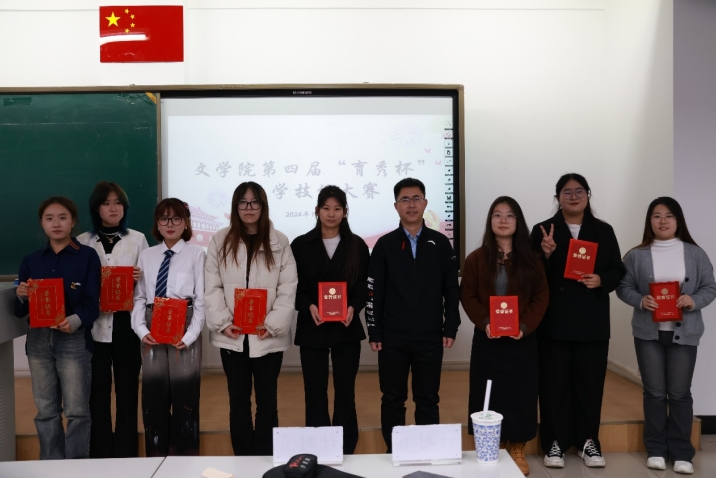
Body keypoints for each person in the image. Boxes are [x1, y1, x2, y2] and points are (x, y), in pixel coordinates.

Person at [529, 173, 626, 468]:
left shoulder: (603, 230)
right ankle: (554, 443)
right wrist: (545, 255)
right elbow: (529, 276)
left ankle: (588, 441)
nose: (573, 196)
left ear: (588, 195)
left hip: (591, 322)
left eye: (579, 191)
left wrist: (601, 279)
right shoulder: (542, 230)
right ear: (557, 197)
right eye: (567, 192)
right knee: (553, 386)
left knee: (590, 386)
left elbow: (617, 270)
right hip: (553, 322)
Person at [616, 197, 716, 475]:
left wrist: (693, 300)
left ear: (678, 220)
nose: (663, 221)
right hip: (648, 334)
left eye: (669, 216)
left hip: (685, 335)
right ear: (649, 221)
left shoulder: (695, 253)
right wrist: (640, 300)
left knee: (680, 394)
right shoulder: (636, 255)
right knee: (654, 393)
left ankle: (682, 452)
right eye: (656, 216)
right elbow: (623, 287)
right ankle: (657, 450)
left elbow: (710, 287)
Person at [366, 177, 460, 453]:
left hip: (430, 336)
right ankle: (393, 452)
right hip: (392, 337)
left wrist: (450, 326)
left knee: (428, 399)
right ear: (396, 206)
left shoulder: (440, 243)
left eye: (416, 198)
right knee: (393, 399)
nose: (411, 204)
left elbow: (451, 289)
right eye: (405, 199)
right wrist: (374, 330)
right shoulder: (384, 245)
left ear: (425, 203)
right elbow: (373, 292)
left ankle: (426, 451)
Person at [204, 181, 297, 456]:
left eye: (255, 202)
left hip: (266, 335)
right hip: (232, 335)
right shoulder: (220, 240)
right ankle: (243, 458)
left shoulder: (279, 241)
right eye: (243, 202)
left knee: (267, 402)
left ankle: (266, 457)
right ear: (235, 207)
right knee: (238, 400)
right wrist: (223, 323)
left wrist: (272, 325)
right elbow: (212, 286)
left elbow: (288, 287)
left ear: (263, 206)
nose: (249, 208)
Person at [460, 196, 548, 476]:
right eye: (497, 215)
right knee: (488, 393)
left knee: (521, 394)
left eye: (510, 215)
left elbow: (541, 297)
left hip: (522, 340)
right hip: (488, 340)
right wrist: (485, 322)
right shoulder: (476, 258)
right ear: (490, 221)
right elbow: (468, 295)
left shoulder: (531, 259)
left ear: (518, 221)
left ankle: (518, 448)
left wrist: (525, 326)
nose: (503, 220)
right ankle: (492, 446)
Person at [15, 197, 101, 459]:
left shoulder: (87, 257)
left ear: (73, 222)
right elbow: (19, 311)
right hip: (39, 342)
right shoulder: (31, 261)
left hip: (73, 340)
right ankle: (51, 467)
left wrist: (73, 321)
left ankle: (75, 469)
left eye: (62, 217)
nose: (56, 223)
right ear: (42, 223)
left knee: (77, 411)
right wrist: (21, 295)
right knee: (46, 412)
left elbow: (93, 305)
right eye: (49, 218)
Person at [291, 185, 370, 454]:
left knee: (345, 390)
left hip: (346, 328)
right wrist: (308, 305)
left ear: (345, 212)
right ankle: (318, 446)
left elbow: (364, 285)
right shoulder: (300, 245)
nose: (331, 214)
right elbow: (292, 285)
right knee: (314, 391)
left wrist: (354, 306)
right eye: (326, 208)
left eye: (337, 209)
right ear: (317, 210)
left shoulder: (357, 245)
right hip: (312, 326)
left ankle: (346, 448)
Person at [77, 181, 148, 458]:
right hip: (93, 325)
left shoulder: (138, 239)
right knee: (97, 392)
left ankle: (126, 454)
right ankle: (100, 453)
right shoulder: (82, 241)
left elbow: (148, 287)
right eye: (106, 203)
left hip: (126, 325)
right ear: (96, 208)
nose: (113, 208)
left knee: (127, 390)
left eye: (118, 202)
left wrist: (140, 277)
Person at [131, 198, 205, 456]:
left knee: (186, 393)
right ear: (157, 224)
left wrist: (191, 335)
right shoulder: (147, 255)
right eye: (164, 218)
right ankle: (156, 455)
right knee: (154, 392)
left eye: (176, 218)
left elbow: (201, 300)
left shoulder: (196, 254)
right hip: (152, 325)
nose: (170, 224)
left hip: (185, 324)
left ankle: (184, 456)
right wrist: (141, 330)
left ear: (185, 223)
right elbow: (139, 297)